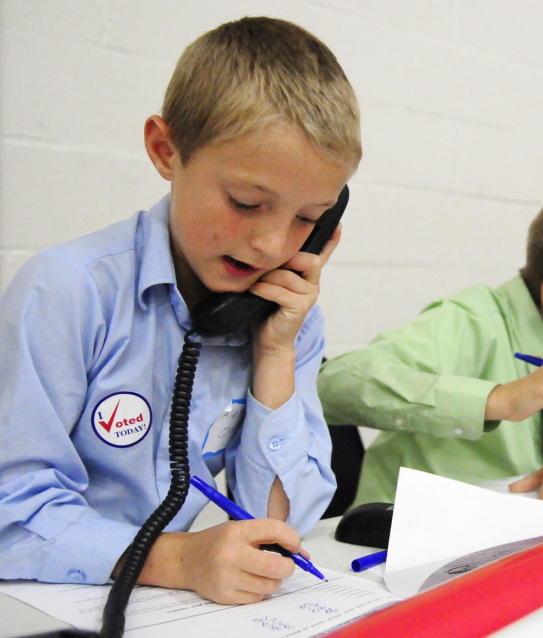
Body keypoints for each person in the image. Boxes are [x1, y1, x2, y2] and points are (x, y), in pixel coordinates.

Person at [0, 18, 360, 604]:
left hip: (159, 606)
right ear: (166, 151)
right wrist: (178, 557)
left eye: (306, 219)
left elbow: (275, 529)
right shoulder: (68, 291)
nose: (272, 244)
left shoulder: (284, 318)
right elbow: (9, 511)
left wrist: (273, 353)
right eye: (246, 202)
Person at [318, 189, 543, 505]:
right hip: (392, 543)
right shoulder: (474, 319)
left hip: (510, 533)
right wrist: (499, 400)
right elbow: (333, 384)